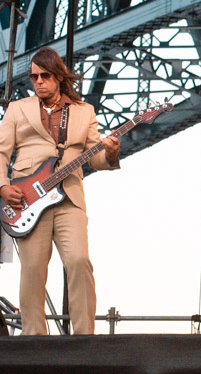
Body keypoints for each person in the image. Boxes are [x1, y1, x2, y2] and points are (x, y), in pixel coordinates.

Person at [0, 48, 120, 334]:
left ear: (58, 77)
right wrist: (3, 186)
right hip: (26, 199)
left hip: (69, 198)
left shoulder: (84, 111)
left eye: (44, 76)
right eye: (33, 76)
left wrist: (112, 153)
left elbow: (95, 158)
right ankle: (35, 340)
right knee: (33, 271)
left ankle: (84, 338)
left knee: (79, 261)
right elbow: (1, 152)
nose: (37, 81)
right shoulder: (18, 109)